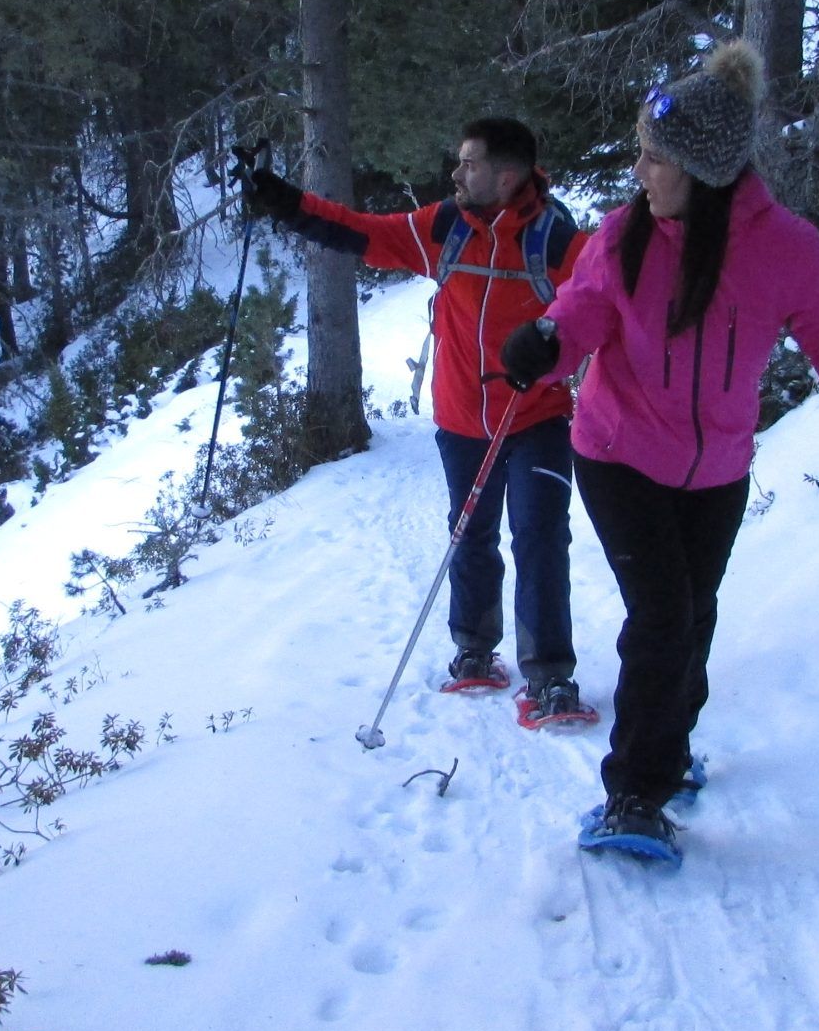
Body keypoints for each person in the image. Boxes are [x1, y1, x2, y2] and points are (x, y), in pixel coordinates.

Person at [500, 42, 819, 856]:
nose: (640, 170)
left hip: (717, 467)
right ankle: (635, 793)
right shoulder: (625, 236)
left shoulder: (784, 247)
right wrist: (545, 343)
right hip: (618, 452)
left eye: (654, 158)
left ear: (701, 167)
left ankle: (669, 745)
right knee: (663, 615)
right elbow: (581, 311)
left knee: (696, 613)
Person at [234, 118, 598, 728]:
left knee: (539, 538)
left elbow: (609, 301)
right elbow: (358, 231)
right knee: (470, 533)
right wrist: (281, 199)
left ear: (506, 176)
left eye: (469, 165)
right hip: (461, 420)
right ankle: (475, 652)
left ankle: (550, 679)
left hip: (535, 417)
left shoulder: (556, 242)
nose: (456, 174)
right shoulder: (444, 226)